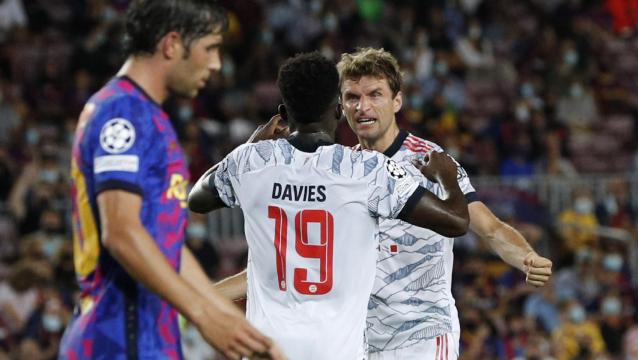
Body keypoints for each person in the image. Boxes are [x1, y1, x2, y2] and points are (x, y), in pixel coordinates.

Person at [188, 52, 470, 360]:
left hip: (266, 350)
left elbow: (197, 199)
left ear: (283, 111)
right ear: (337, 110)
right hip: (337, 350)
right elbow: (456, 221)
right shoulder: (366, 171)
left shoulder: (251, 162)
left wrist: (250, 145)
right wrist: (448, 179)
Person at [60, 1, 283, 359]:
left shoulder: (150, 117)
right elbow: (121, 231)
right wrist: (204, 314)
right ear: (172, 44)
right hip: (116, 339)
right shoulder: (124, 113)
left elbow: (168, 246)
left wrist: (231, 323)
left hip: (149, 338)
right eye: (210, 48)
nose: (216, 63)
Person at [336, 47, 553, 359]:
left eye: (374, 94)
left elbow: (490, 228)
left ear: (397, 101)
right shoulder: (339, 168)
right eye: (352, 97)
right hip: (359, 338)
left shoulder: (430, 160)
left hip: (422, 335)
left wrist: (527, 258)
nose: (363, 106)